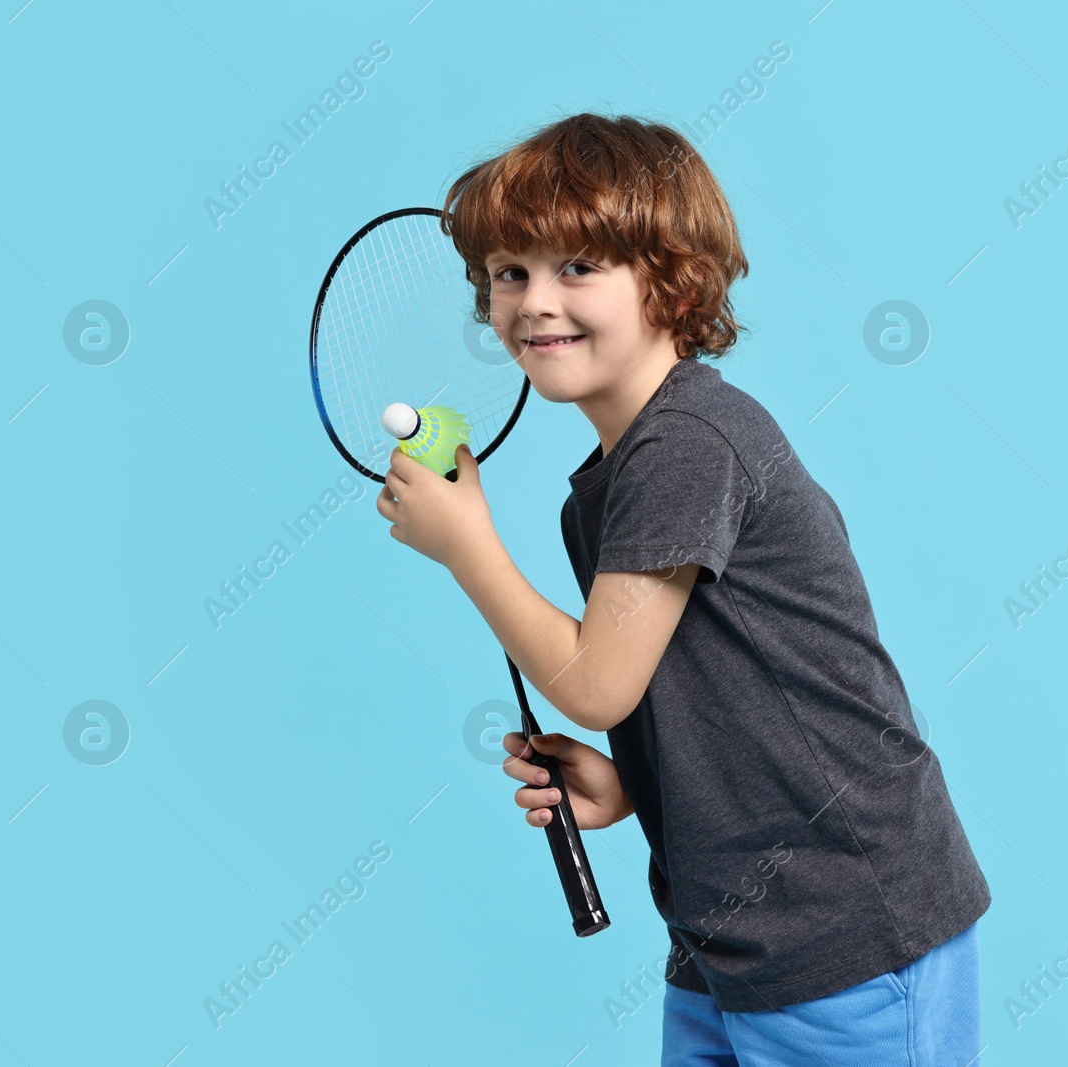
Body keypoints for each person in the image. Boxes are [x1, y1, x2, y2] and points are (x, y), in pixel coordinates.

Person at [375, 112, 990, 1066]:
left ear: (671, 280)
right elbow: (705, 693)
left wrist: (467, 548)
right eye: (510, 272)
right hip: (726, 941)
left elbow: (595, 684)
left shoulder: (688, 443)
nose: (536, 302)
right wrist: (635, 784)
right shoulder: (606, 490)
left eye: (578, 266)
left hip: (845, 935)